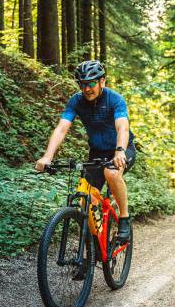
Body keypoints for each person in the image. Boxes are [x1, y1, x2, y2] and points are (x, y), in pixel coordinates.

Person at [35, 60, 136, 242]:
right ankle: (93, 249)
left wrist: (120, 151)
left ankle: (124, 217)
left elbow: (122, 127)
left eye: (91, 83)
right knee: (86, 200)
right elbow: (61, 129)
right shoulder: (76, 101)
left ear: (102, 81)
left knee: (112, 173)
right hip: (97, 153)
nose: (87, 89)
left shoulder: (115, 99)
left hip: (122, 149)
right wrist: (48, 156)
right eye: (83, 84)